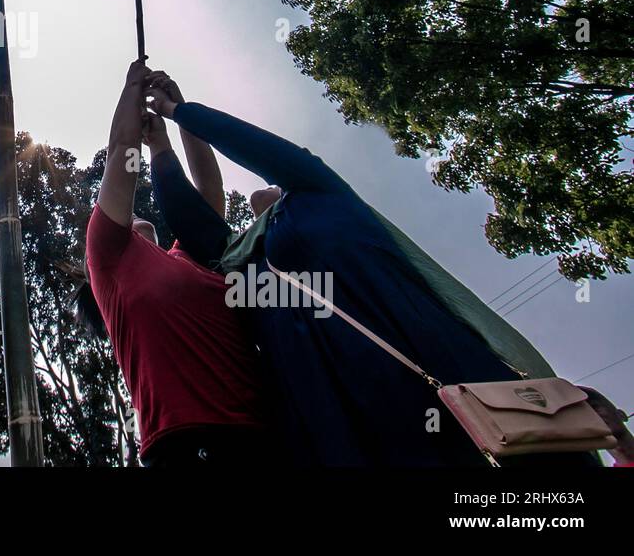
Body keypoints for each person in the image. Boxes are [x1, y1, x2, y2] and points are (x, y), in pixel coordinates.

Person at [144, 68, 599, 467]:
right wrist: (158, 140)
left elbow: (261, 151)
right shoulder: (236, 263)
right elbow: (193, 215)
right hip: (333, 423)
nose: (253, 201)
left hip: (434, 376)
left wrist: (181, 111)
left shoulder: (319, 194)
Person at [83, 59, 266, 467]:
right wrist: (131, 89)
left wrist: (179, 114)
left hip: (266, 434)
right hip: (186, 444)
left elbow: (208, 193)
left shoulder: (186, 256)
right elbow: (120, 155)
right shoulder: (108, 259)